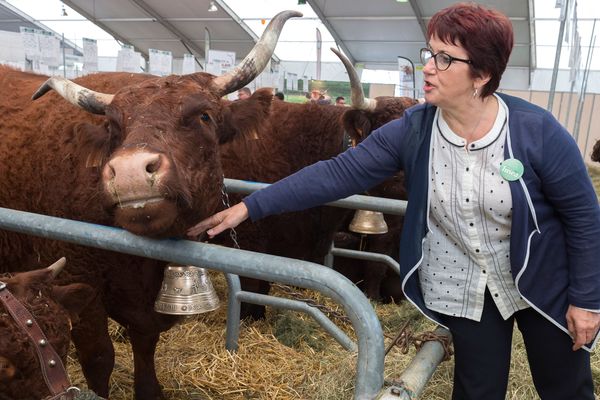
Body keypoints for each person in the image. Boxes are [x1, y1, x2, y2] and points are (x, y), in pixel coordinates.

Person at [188, 3, 600, 399]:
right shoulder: (414, 130)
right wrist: (250, 206)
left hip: (542, 280)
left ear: (483, 73)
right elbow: (337, 173)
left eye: (444, 58)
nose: (428, 67)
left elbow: (583, 217)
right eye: (429, 53)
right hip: (466, 286)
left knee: (565, 389)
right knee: (477, 391)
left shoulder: (536, 130)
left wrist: (586, 300)